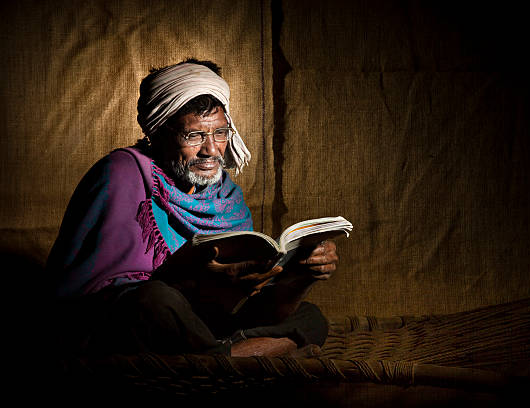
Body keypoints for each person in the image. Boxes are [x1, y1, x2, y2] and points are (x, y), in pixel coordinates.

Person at [45, 58, 338, 357]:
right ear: (158, 134)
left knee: (310, 316)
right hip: (137, 323)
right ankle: (245, 357)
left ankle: (222, 357)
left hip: (204, 327)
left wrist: (299, 276)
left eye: (220, 133)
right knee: (154, 300)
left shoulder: (228, 197)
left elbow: (246, 306)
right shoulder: (121, 173)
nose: (211, 150)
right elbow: (89, 297)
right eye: (194, 135)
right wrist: (192, 283)